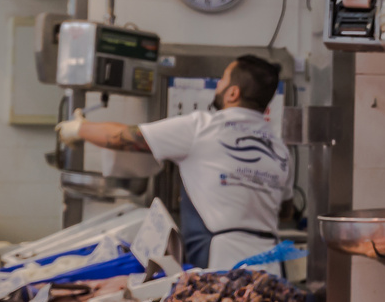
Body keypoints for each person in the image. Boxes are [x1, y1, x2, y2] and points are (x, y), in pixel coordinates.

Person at [57, 55, 291, 269]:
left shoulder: (203, 127)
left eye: (222, 81)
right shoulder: (280, 148)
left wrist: (79, 129)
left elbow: (125, 138)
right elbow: (286, 208)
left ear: (233, 93)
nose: (218, 86)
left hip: (224, 260)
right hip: (272, 262)